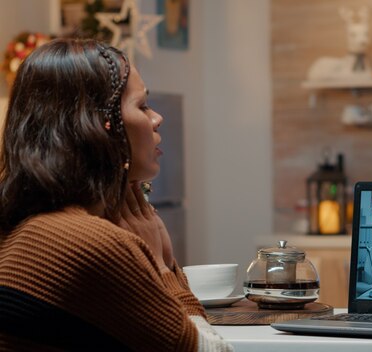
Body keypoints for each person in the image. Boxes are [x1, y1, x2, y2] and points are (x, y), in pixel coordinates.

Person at [0, 38, 233, 351]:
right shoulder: (91, 243)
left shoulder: (24, 225)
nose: (156, 118)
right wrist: (160, 266)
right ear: (101, 126)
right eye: (142, 106)